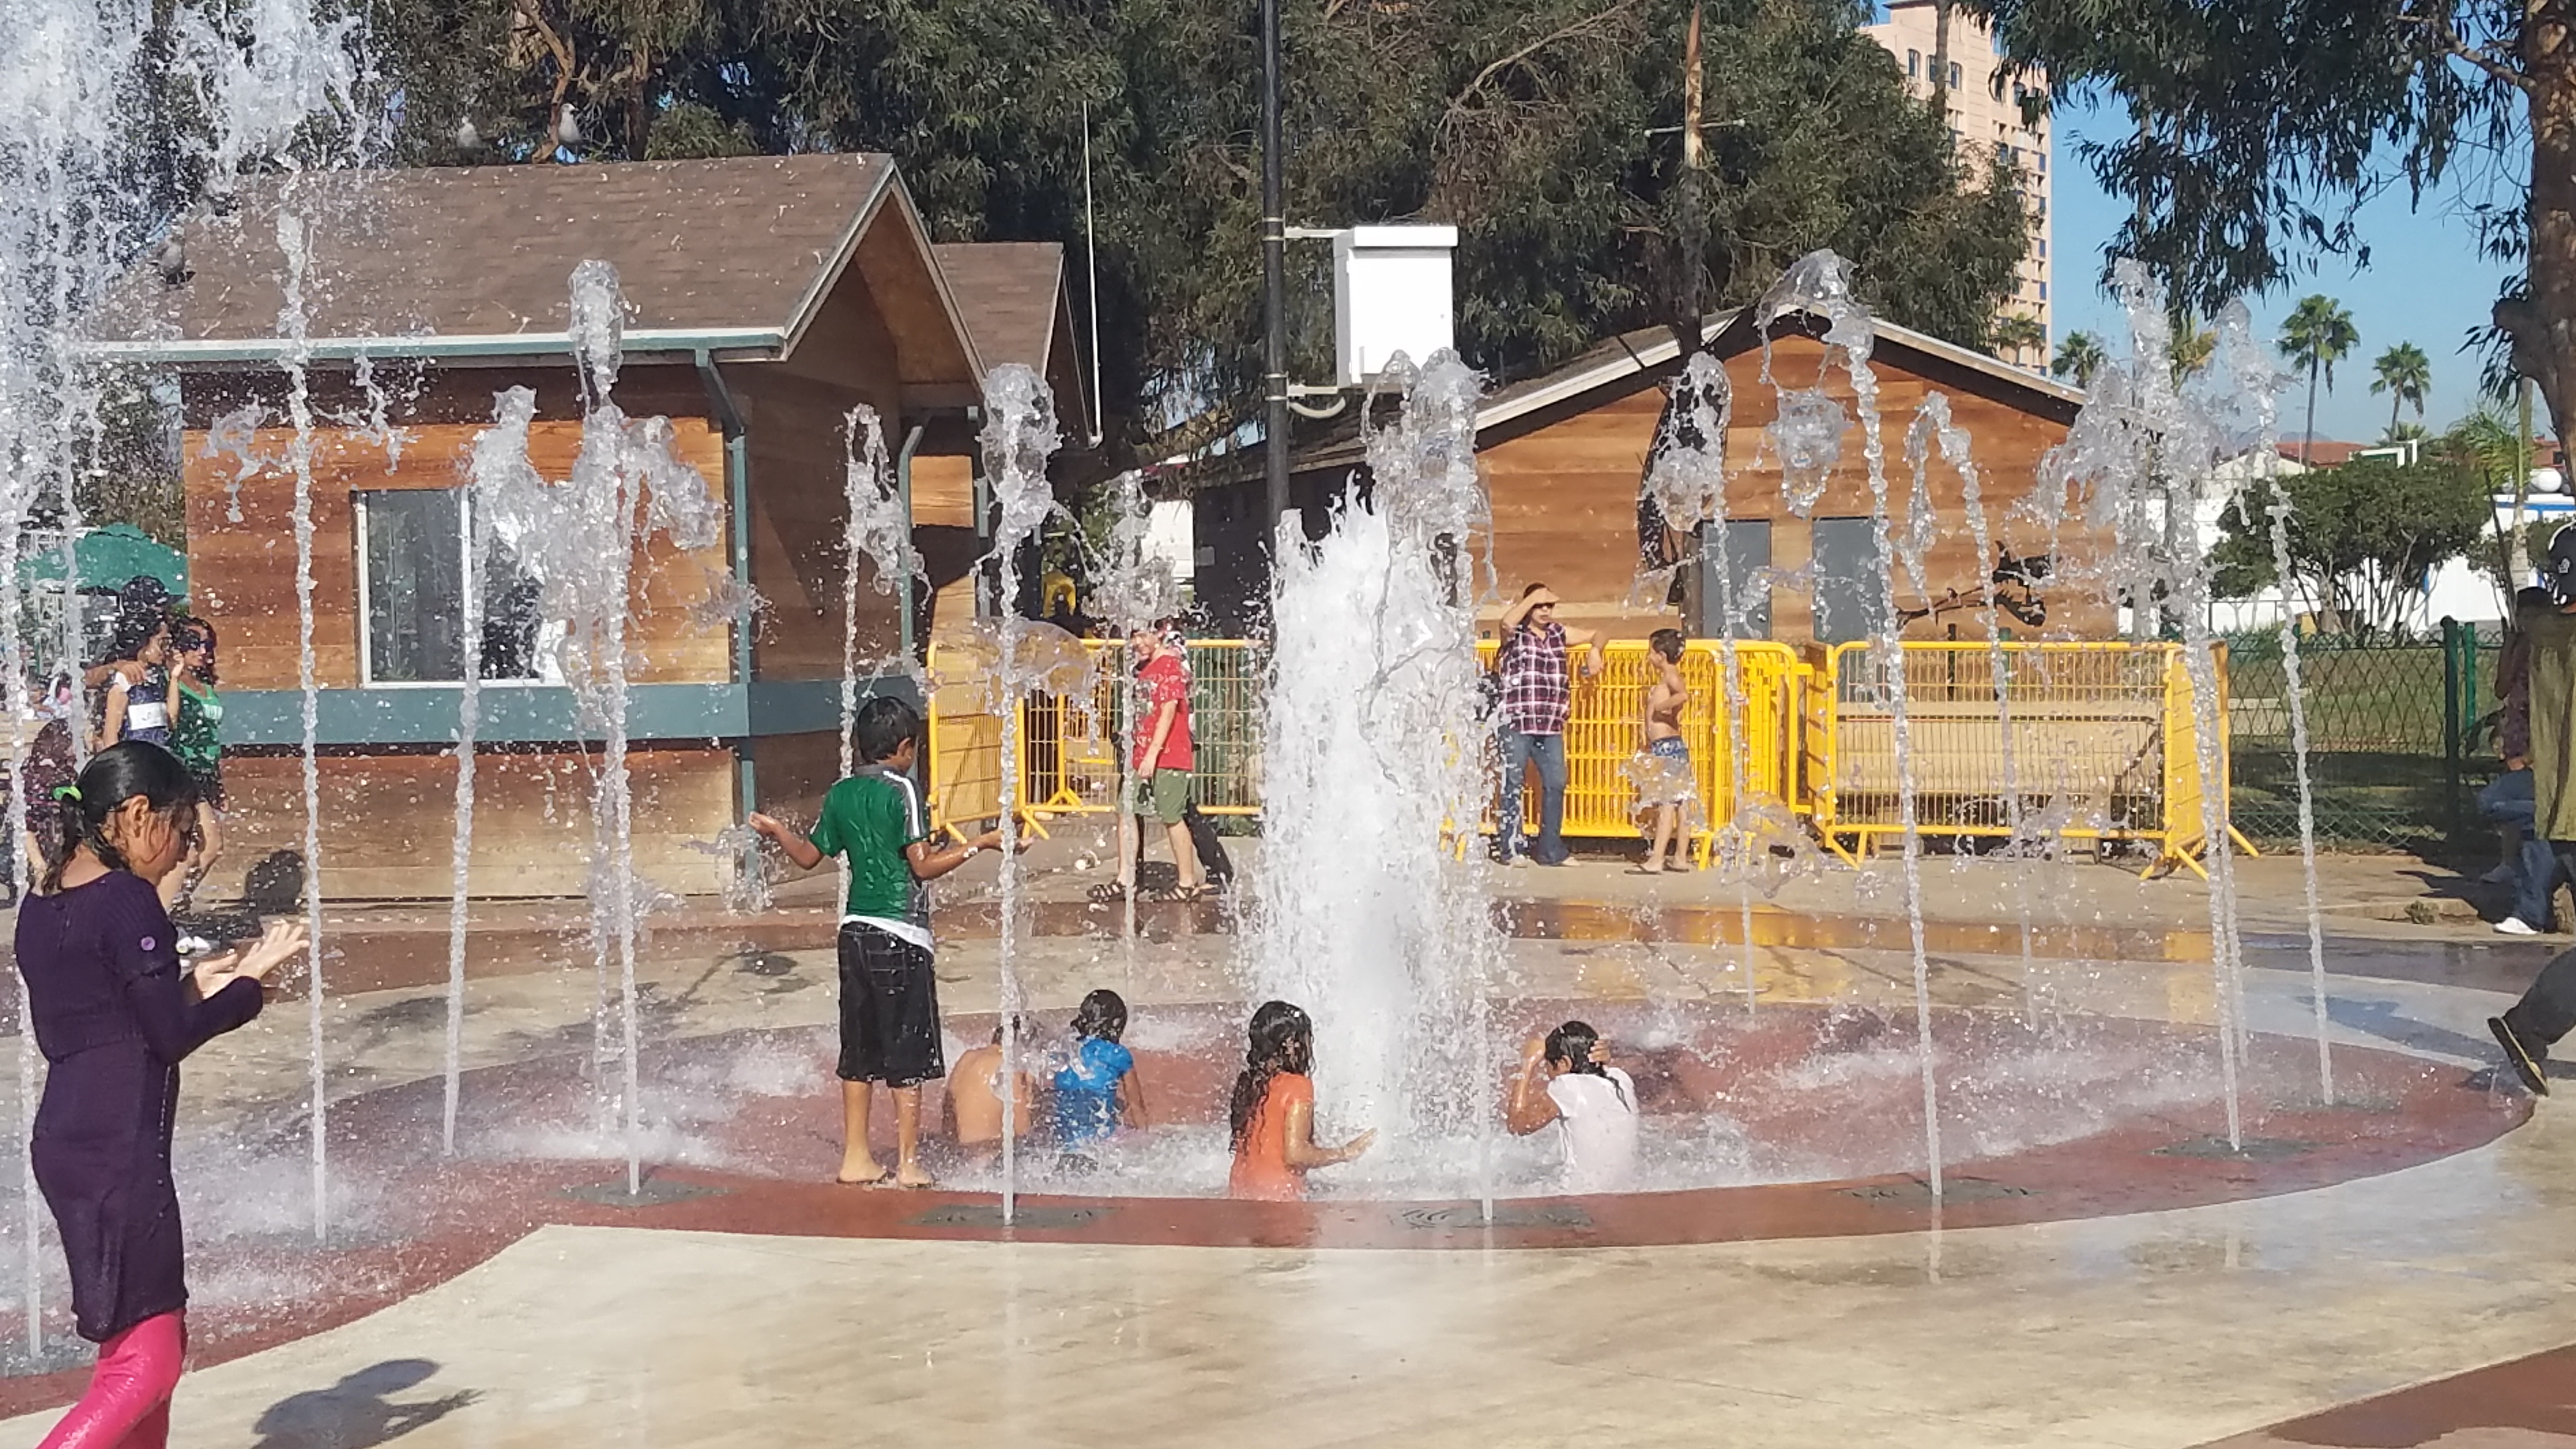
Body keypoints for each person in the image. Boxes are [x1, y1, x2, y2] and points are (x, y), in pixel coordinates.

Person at [14, 741, 307, 1449]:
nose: (182, 852)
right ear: (137, 815)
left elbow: (113, 1024)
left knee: (136, 1343)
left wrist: (198, 981)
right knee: (149, 1361)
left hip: (69, 1140)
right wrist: (249, 988)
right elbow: (169, 1037)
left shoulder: (44, 900)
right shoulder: (127, 901)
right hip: (121, 1146)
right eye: (180, 829)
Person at [747, 695, 1016, 1188]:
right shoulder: (904, 791)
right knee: (904, 1050)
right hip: (901, 934)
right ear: (906, 747)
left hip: (854, 933)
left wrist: (777, 830)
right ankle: (909, 1163)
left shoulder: (841, 792)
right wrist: (983, 843)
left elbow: (808, 857)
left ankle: (855, 1157)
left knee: (860, 1049)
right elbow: (923, 866)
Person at [1493, 584, 1600, 866]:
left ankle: (1550, 850)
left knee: (1556, 782)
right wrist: (1532, 598)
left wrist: (1596, 651)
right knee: (1512, 783)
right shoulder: (1516, 634)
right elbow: (1505, 622)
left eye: (1549, 605)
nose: (1545, 611)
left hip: (1550, 723)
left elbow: (1598, 633)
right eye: (1540, 605)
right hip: (1517, 720)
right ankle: (1511, 848)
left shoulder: (1558, 634)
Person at [1228, 1000, 1374, 1200]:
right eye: (1306, 1038)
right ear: (1290, 1043)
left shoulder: (1250, 1084)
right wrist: (1344, 1152)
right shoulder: (1297, 1085)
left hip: (1240, 1194)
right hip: (1279, 1202)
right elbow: (1296, 1154)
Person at [1100, 624, 1202, 903]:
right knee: (1124, 810)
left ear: (1160, 633)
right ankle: (1126, 878)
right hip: (1141, 753)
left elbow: (1168, 712)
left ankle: (1187, 882)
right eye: (1134, 636)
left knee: (1172, 816)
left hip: (1167, 755)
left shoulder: (1169, 665)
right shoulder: (1145, 669)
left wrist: (1152, 754)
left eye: (1144, 634)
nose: (1138, 642)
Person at [1503, 1020, 1640, 1193]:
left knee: (1508, 1186)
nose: (1546, 1072)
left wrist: (1527, 1064)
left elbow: (1517, 1126)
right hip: (1621, 1192)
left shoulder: (1568, 1086)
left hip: (1578, 1195)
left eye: (1547, 1064)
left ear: (1564, 1064)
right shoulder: (1622, 1080)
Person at [164, 618, 224, 917]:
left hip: (205, 775)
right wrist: (173, 678)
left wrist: (217, 780)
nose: (202, 650)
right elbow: (168, 724)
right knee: (199, 849)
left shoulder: (205, 684)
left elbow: (212, 738)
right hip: (181, 774)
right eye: (193, 644)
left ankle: (174, 912)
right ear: (176, 647)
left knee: (204, 849)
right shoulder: (168, 680)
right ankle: (166, 912)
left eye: (208, 644)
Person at [1053, 988, 1147, 1147]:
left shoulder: (1064, 1048)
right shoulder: (1118, 1054)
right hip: (1100, 1142)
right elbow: (1136, 1106)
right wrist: (1146, 1142)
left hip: (1062, 1138)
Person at [1636, 629, 1694, 874]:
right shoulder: (1667, 677)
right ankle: (1680, 857)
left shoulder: (1671, 676)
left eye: (1650, 652)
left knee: (1668, 804)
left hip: (1668, 747)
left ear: (1660, 655)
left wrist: (1661, 707)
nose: (1648, 657)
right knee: (1682, 803)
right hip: (1672, 747)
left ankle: (1657, 859)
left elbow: (1683, 694)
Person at [946, 1019, 1036, 1162]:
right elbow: (1023, 1129)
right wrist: (1030, 1092)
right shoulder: (1011, 1068)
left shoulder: (967, 1058)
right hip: (991, 1160)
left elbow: (948, 1120)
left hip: (960, 1157)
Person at [92, 613, 174, 754]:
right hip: (133, 762)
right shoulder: (124, 680)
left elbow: (171, 722)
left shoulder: (158, 678)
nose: (167, 649)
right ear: (142, 643)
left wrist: (175, 678)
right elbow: (111, 737)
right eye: (162, 642)